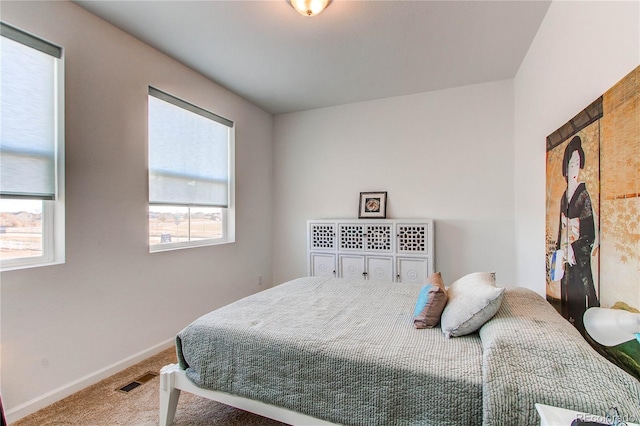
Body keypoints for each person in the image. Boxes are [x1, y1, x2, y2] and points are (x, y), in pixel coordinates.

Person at [555, 135, 599, 336]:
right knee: (566, 297)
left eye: (578, 163)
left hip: (577, 256)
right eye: (572, 163)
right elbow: (560, 230)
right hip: (566, 255)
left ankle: (584, 331)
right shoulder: (564, 197)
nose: (575, 168)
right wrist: (561, 249)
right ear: (566, 166)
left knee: (580, 297)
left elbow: (589, 233)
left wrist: (573, 247)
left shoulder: (583, 195)